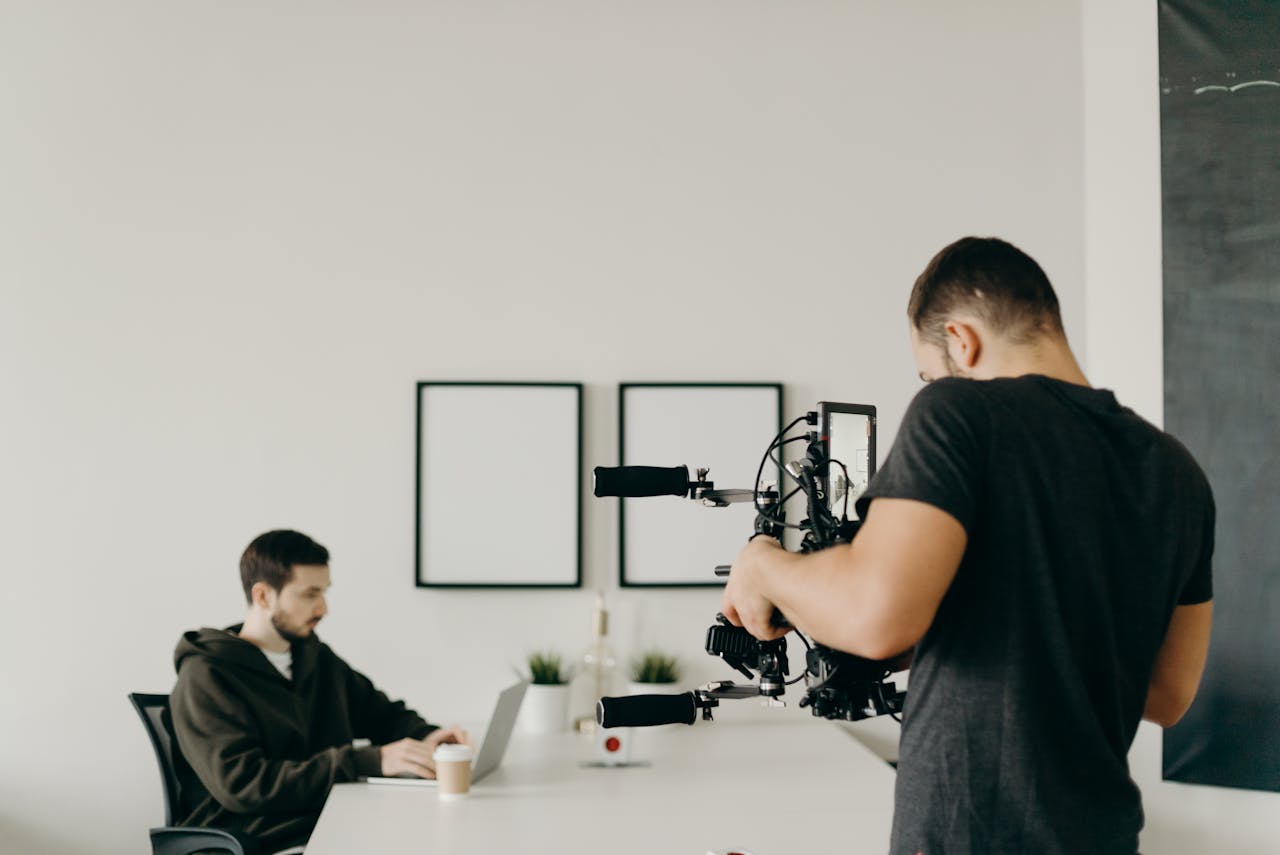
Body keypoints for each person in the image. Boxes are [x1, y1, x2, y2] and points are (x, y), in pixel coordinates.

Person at [722, 237, 1214, 855]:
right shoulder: (1176, 471)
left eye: (928, 371)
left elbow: (873, 617)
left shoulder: (958, 413)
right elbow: (1168, 694)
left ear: (962, 340)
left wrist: (761, 564)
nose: (930, 385)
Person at [170, 529, 470, 851]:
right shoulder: (207, 675)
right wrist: (366, 761)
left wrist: (428, 738)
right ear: (263, 596)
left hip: (325, 820)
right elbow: (244, 785)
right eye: (309, 594)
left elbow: (381, 714)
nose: (323, 608)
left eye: (324, 592)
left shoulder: (314, 657)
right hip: (259, 838)